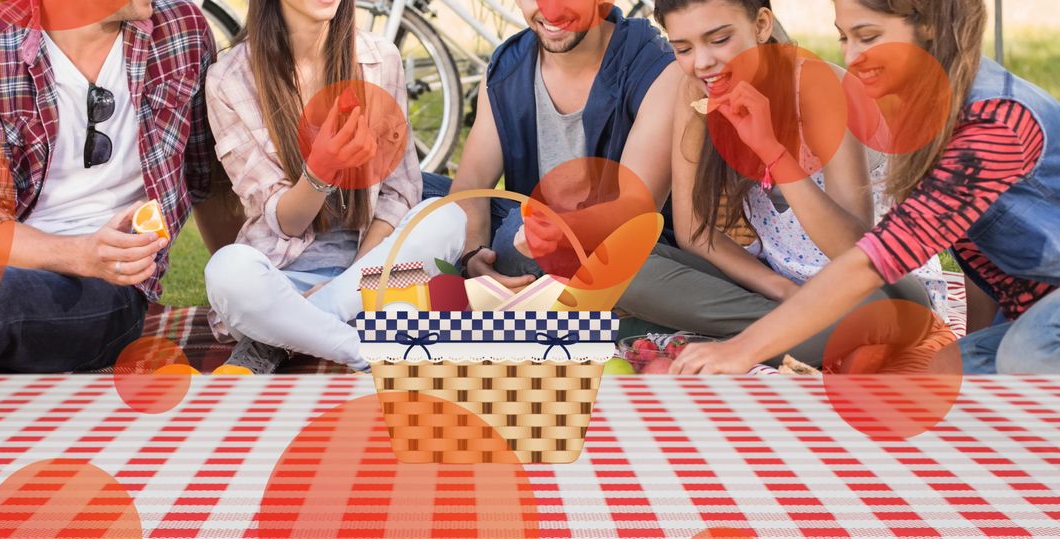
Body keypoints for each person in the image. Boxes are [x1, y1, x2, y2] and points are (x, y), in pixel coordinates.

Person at [671, 0, 1060, 374]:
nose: (852, 57)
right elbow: (978, 254)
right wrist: (973, 345)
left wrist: (743, 349)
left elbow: (881, 255)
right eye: (844, 38)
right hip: (1032, 314)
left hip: (1041, 322)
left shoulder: (996, 123)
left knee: (1023, 355)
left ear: (929, 25)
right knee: (944, 374)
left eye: (868, 37)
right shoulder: (936, 106)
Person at [643, 0, 943, 366]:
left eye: (719, 40)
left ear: (761, 25)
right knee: (623, 267)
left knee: (877, 309)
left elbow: (854, 253)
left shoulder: (821, 88)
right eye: (683, 48)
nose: (702, 62)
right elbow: (694, 231)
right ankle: (793, 339)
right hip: (780, 284)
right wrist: (782, 290)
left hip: (877, 285)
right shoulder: (696, 92)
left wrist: (771, 150)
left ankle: (743, 341)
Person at [203, 0, 466, 373]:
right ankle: (362, 349)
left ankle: (286, 335)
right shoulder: (230, 79)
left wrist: (351, 284)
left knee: (447, 218)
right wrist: (320, 171)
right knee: (227, 272)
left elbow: (398, 194)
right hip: (282, 279)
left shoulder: (380, 59)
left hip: (373, 275)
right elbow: (286, 222)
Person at [0, 0, 217, 372]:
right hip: (14, 262)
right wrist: (80, 252)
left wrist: (245, 290)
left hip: (111, 284)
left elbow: (210, 179)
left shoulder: (180, 29)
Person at [449, 0, 681, 288]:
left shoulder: (656, 68)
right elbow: (470, 185)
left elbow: (637, 208)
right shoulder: (506, 69)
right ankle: (496, 278)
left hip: (622, 247)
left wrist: (554, 230)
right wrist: (474, 254)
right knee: (425, 196)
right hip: (532, 234)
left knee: (513, 230)